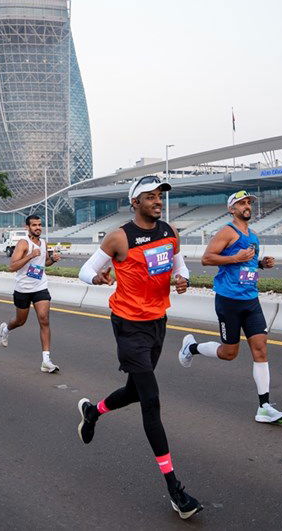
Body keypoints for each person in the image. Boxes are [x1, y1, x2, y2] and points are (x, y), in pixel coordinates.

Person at [75, 175, 202, 519]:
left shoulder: (169, 231)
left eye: (160, 195)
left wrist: (183, 279)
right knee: (151, 400)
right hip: (129, 325)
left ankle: (93, 411)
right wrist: (97, 277)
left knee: (134, 391)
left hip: (158, 322)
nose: (158, 201)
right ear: (135, 202)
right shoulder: (119, 237)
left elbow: (180, 265)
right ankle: (175, 489)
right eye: (150, 196)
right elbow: (85, 270)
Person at [180, 190, 282, 425]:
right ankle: (191, 348)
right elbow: (207, 258)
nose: (247, 206)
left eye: (249, 203)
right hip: (228, 300)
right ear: (232, 209)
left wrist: (262, 264)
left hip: (251, 299)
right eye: (241, 203)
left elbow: (249, 262)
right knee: (229, 353)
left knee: (260, 349)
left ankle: (264, 407)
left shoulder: (254, 236)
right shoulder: (227, 232)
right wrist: (234, 258)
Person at [0, 214, 61, 372]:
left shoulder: (43, 243)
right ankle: (6, 329)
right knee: (20, 321)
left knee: (44, 319)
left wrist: (53, 259)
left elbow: (43, 263)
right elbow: (12, 266)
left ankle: (46, 361)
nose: (38, 227)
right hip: (23, 289)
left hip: (40, 286)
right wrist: (30, 255)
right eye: (34, 225)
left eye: (39, 224)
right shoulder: (23, 243)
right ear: (27, 227)